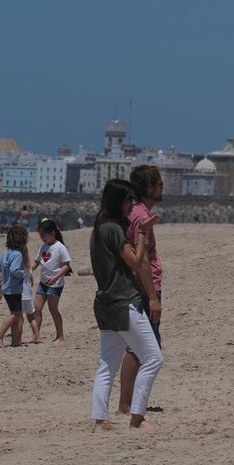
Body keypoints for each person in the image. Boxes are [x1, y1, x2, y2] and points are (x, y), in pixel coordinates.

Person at [90, 179, 163, 431]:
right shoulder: (113, 229)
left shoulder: (99, 227)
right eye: (129, 200)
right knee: (153, 358)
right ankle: (137, 417)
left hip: (105, 302)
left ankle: (101, 420)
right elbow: (136, 261)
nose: (132, 204)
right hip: (123, 301)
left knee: (107, 363)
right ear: (119, 202)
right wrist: (142, 233)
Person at [118, 165, 165, 416]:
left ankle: (129, 403)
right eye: (159, 184)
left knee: (140, 346)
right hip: (144, 287)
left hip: (143, 286)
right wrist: (153, 296)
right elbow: (141, 259)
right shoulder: (139, 216)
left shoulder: (139, 212)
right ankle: (128, 404)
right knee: (144, 348)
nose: (162, 188)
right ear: (149, 187)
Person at [30, 218, 72, 342]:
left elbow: (66, 265)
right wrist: (29, 271)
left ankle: (60, 336)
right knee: (36, 308)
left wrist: (55, 277)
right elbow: (37, 262)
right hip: (43, 283)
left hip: (56, 283)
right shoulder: (43, 247)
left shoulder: (60, 247)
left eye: (44, 235)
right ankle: (36, 335)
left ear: (52, 233)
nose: (42, 238)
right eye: (40, 235)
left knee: (53, 309)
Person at [0, 224, 31, 346]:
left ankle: (15, 341)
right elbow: (14, 270)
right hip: (14, 289)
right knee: (16, 314)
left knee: (17, 314)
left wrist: (5, 271)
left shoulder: (6, 252)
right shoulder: (18, 254)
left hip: (7, 288)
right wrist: (24, 273)